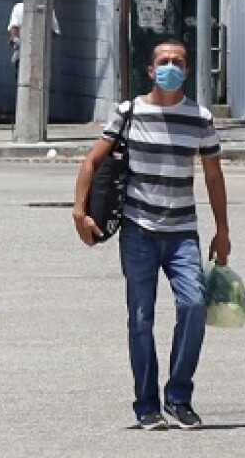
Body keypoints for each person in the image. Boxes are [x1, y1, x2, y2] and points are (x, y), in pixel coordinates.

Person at [72, 38, 231, 431]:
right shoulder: (129, 112)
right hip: (138, 232)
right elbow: (93, 161)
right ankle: (146, 405)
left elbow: (213, 175)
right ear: (150, 70)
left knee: (193, 307)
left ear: (188, 71)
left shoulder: (200, 118)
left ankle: (179, 397)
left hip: (183, 234)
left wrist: (222, 231)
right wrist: (79, 211)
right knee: (140, 318)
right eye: (163, 61)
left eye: (178, 61)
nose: (170, 67)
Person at [7, 1, 60, 70]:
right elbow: (55, 32)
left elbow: (55, 32)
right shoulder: (19, 8)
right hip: (27, 54)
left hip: (39, 54)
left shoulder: (48, 10)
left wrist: (40, 41)